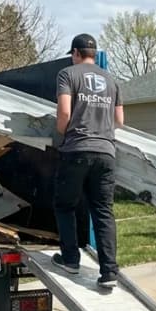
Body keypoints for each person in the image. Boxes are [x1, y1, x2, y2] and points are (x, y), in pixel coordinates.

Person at [52, 33, 123, 288]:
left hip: (77, 150)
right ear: (93, 54)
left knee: (65, 205)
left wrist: (62, 133)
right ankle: (109, 273)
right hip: (106, 153)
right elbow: (120, 120)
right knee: (103, 211)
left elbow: (64, 112)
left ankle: (70, 260)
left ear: (75, 53)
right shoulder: (112, 80)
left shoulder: (67, 74)